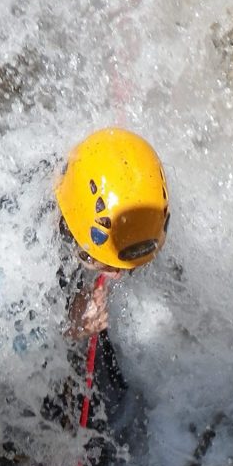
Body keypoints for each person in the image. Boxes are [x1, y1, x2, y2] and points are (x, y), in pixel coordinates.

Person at [54, 127, 171, 340]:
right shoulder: (14, 260)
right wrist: (72, 330)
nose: (117, 274)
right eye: (108, 263)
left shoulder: (83, 182)